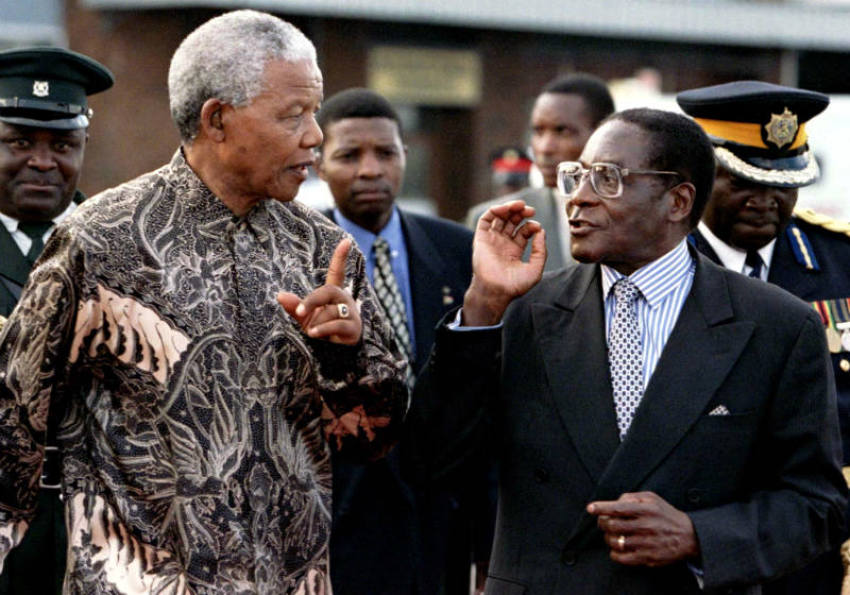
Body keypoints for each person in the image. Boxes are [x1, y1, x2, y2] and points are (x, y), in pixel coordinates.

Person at [0, 10, 408, 594]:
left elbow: (372, 441)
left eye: (315, 111)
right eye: (293, 114)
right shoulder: (100, 241)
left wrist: (349, 353)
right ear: (217, 119)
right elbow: (10, 432)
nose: (315, 135)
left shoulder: (325, 251)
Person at [407, 107, 847, 594]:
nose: (578, 197)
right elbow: (431, 462)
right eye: (576, 176)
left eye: (607, 179)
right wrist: (482, 306)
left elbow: (818, 505)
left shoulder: (778, 325)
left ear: (678, 201)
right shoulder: (522, 311)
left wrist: (699, 536)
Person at [314, 87, 491, 595]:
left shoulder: (459, 250)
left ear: (405, 157)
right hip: (338, 520)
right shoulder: (295, 256)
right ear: (319, 166)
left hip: (439, 518)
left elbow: (484, 395)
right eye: (349, 155)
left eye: (386, 153)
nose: (370, 170)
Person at [679, 79, 850, 595]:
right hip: (695, 543)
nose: (765, 200)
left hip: (818, 545)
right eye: (742, 181)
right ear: (698, 176)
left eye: (782, 183)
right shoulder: (657, 265)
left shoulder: (840, 262)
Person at [0, 46, 113, 595]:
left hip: (99, 523)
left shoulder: (124, 250)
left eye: (63, 145)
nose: (43, 162)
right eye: (20, 142)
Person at [465, 73, 614, 271]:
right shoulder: (497, 222)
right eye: (538, 131)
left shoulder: (637, 219)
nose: (545, 148)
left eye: (562, 131)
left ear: (604, 133)